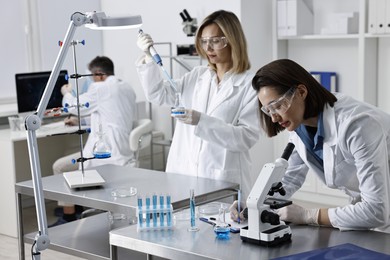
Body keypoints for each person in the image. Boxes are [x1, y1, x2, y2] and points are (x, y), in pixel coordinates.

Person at [231, 58, 390, 233]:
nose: (274, 118)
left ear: (301, 91)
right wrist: (253, 203)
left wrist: (310, 216)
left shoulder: (357, 125)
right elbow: (288, 181)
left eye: (277, 106)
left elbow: (376, 210)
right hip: (371, 210)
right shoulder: (301, 128)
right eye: (268, 110)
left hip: (378, 210)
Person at [136, 10, 260, 198]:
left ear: (233, 40)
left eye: (216, 41)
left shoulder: (250, 84)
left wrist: (201, 120)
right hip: (183, 174)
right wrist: (148, 57)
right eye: (204, 41)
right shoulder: (197, 76)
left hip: (222, 178)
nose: (208, 48)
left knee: (220, 225)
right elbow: (158, 95)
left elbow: (245, 138)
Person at [50, 56, 137, 226]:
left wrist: (66, 93)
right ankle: (74, 208)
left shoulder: (101, 88)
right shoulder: (126, 87)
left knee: (59, 166)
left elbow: (72, 106)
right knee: (69, 163)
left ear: (99, 75)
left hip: (106, 154)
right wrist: (80, 121)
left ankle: (68, 216)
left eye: (91, 77)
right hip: (122, 150)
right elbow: (110, 116)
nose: (90, 81)